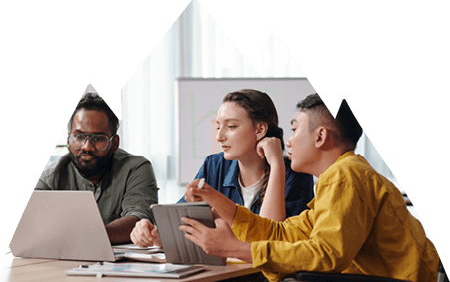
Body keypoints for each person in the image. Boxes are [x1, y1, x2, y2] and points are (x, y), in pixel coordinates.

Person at [179, 94, 439, 282]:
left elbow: (327, 255)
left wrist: (233, 248)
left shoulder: (345, 176)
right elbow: (283, 233)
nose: (288, 141)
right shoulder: (338, 177)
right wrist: (217, 201)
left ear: (321, 136)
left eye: (294, 130)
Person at [130, 89, 314, 248]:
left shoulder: (295, 173)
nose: (219, 137)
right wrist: (155, 233)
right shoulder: (214, 165)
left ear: (260, 130)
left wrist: (276, 165)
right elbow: (182, 223)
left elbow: (271, 239)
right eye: (218, 127)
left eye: (231, 126)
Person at [35, 93, 159, 245]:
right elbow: (30, 223)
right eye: (79, 137)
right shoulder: (50, 177)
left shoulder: (136, 169)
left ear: (114, 143)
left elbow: (139, 220)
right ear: (68, 141)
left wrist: (84, 238)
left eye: (98, 138)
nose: (87, 147)